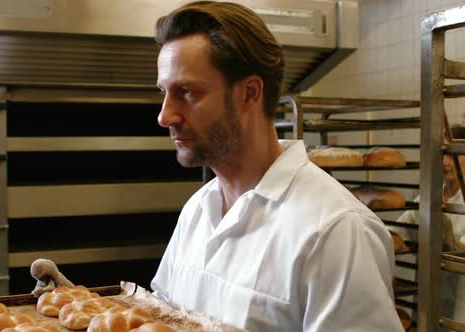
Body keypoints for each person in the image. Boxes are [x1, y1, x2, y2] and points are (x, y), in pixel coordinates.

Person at [150, 2, 404, 331]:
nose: (164, 115)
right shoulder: (198, 210)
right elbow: (160, 317)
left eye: (186, 92)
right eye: (164, 92)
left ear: (250, 93)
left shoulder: (334, 231)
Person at [394, 135, 465, 324]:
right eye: (443, 155)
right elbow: (401, 228)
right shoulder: (429, 195)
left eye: (453, 155)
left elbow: (461, 253)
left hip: (460, 297)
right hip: (429, 293)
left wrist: (447, 234)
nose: (446, 162)